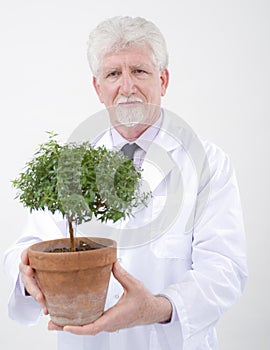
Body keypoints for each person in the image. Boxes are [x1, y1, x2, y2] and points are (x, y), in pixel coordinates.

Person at [3, 16, 248, 350]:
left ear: (163, 80)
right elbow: (28, 247)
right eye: (113, 74)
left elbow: (225, 269)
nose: (127, 86)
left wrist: (157, 308)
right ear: (98, 87)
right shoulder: (69, 165)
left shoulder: (207, 163)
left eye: (140, 71)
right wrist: (26, 276)